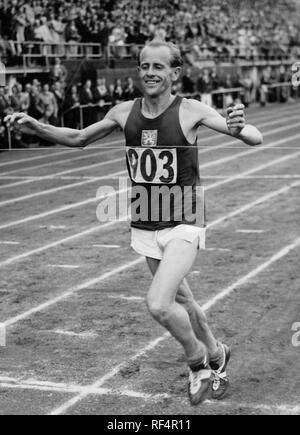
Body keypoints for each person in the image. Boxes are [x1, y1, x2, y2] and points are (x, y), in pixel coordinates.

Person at [5, 39, 263, 406]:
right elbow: (78, 138)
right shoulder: (124, 112)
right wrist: (35, 126)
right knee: (183, 300)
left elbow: (254, 136)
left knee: (159, 304)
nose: (150, 73)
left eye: (158, 67)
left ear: (174, 73)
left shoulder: (190, 110)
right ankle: (217, 352)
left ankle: (198, 364)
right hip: (145, 223)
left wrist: (239, 129)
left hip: (185, 221)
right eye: (144, 66)